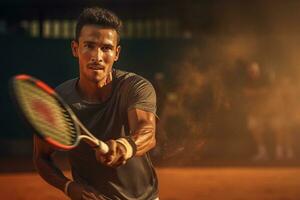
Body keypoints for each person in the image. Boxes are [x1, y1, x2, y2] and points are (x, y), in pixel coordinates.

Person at [33, 7, 159, 200]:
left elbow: (147, 132)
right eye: (89, 46)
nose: (97, 57)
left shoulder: (134, 86)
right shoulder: (59, 101)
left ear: (116, 53)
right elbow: (41, 157)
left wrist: (124, 146)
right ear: (75, 48)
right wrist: (67, 186)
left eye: (106, 48)